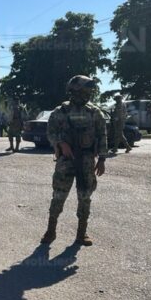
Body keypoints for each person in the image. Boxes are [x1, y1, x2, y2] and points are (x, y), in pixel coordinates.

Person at [40, 75, 107, 247]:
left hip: (86, 159)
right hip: (66, 159)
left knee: (85, 196)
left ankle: (81, 233)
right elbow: (50, 132)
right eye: (85, 90)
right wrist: (61, 143)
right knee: (59, 195)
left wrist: (102, 159)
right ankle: (51, 230)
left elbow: (102, 135)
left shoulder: (94, 112)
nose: (88, 93)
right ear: (74, 91)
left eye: (89, 90)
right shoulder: (60, 112)